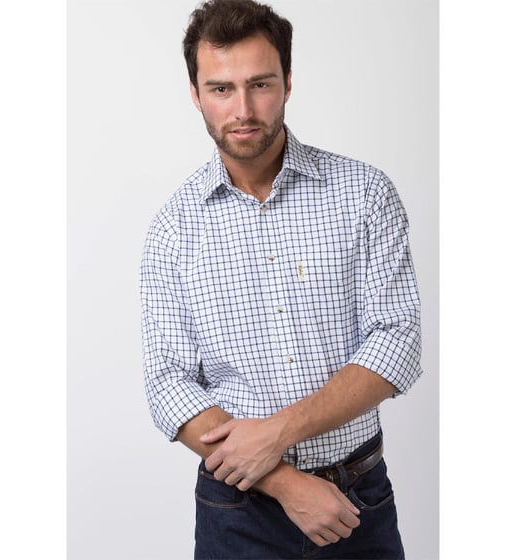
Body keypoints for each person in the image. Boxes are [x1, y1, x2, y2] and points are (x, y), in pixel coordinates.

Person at [140, 0, 422, 558]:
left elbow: (398, 341)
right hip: (236, 514)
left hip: (357, 503)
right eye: (221, 89)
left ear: (288, 82)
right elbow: (168, 383)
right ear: (196, 94)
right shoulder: (173, 229)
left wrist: (277, 432)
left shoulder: (365, 194)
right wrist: (286, 483)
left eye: (260, 84)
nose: (242, 109)